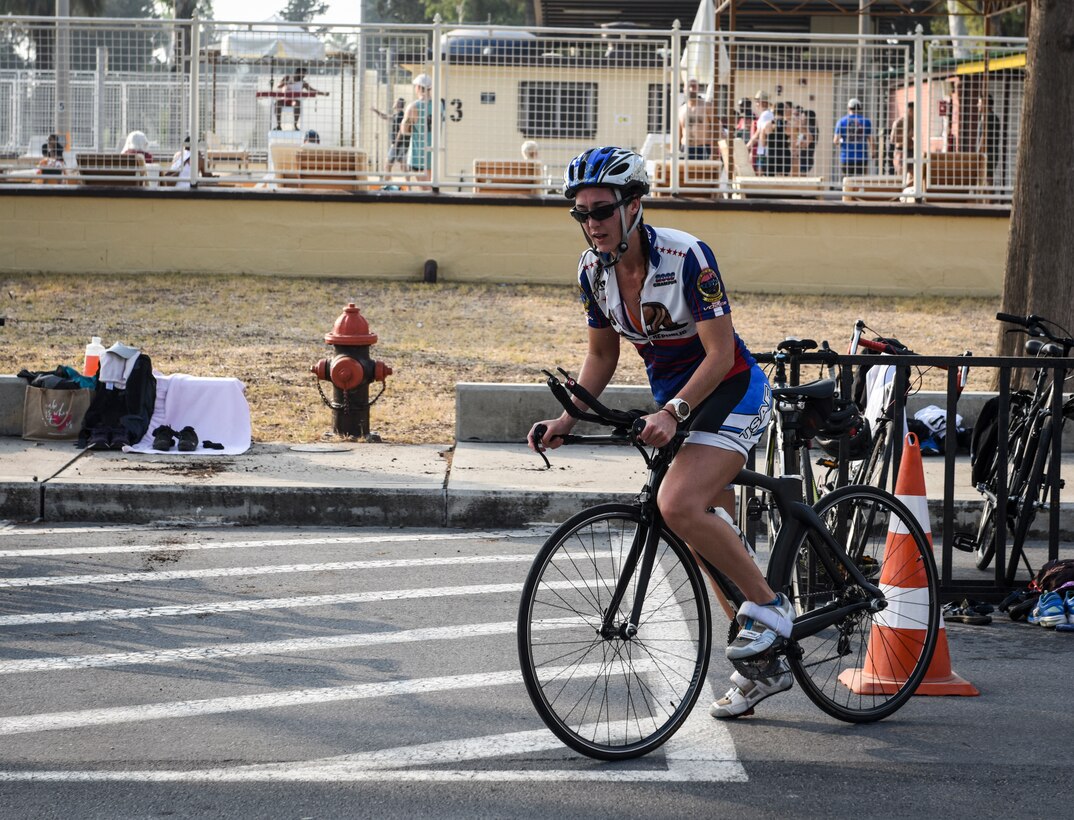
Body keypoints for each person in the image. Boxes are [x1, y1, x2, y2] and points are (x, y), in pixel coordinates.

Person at [527, 146, 792, 721]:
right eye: (581, 213)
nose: (591, 223)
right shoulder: (592, 271)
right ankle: (765, 666)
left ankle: (773, 609)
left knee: (677, 503)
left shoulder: (686, 255)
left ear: (634, 206)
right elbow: (601, 354)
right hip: (679, 404)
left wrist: (673, 410)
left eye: (600, 210)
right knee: (707, 537)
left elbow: (721, 354)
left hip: (729, 389)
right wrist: (568, 416)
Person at [396, 73, 436, 185]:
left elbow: (404, 130)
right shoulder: (439, 105)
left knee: (423, 190)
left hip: (418, 155)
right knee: (432, 186)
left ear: (418, 87)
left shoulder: (413, 107)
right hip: (434, 153)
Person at [833, 97, 873, 178]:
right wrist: (873, 152)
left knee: (847, 182)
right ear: (860, 108)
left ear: (848, 108)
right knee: (861, 182)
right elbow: (871, 140)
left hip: (846, 157)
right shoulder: (866, 121)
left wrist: (841, 143)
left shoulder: (841, 121)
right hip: (861, 157)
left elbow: (835, 140)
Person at [679, 77, 716, 160]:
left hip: (702, 149)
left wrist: (714, 152)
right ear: (684, 88)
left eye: (694, 87)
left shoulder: (707, 107)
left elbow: (716, 130)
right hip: (685, 149)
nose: (691, 89)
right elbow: (678, 134)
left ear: (698, 88)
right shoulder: (681, 110)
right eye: (689, 86)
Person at [373, 97, 407, 171]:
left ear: (399, 104)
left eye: (396, 102)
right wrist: (376, 111)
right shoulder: (397, 115)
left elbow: (400, 131)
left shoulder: (400, 116)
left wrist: (395, 144)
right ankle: (406, 182)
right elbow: (384, 116)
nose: (394, 103)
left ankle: (388, 182)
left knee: (388, 165)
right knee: (402, 165)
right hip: (399, 144)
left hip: (397, 144)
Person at [976, 93, 1002, 186]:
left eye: (979, 103)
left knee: (987, 180)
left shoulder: (989, 118)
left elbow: (984, 136)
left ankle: (989, 200)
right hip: (988, 154)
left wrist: (978, 153)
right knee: (985, 180)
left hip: (988, 155)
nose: (977, 105)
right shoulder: (988, 117)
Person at [746, 91, 773, 175]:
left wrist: (746, 146)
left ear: (763, 102)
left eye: (757, 101)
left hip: (764, 151)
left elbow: (758, 133)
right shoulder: (768, 114)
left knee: (760, 175)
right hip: (764, 150)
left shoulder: (765, 115)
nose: (756, 104)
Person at [889, 102, 914, 183]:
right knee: (900, 176)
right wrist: (907, 136)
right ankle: (899, 194)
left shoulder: (915, 122)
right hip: (901, 152)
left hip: (912, 151)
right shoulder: (899, 122)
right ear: (909, 110)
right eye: (913, 111)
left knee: (913, 177)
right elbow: (892, 139)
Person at [765, 102, 792, 176]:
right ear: (784, 112)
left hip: (772, 154)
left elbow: (763, 143)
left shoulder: (768, 124)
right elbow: (793, 140)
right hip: (784, 154)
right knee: (784, 180)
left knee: (770, 179)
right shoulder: (788, 124)